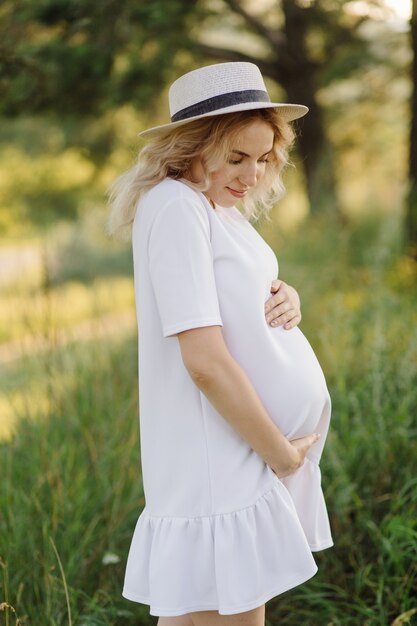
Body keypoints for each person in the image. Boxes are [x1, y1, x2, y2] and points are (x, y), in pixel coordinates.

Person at [107, 62, 333, 626]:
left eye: (262, 158)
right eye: (237, 158)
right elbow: (204, 361)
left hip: (234, 455)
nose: (252, 174)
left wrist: (284, 295)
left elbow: (229, 301)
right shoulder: (178, 207)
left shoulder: (211, 208)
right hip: (221, 460)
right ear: (191, 147)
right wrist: (279, 454)